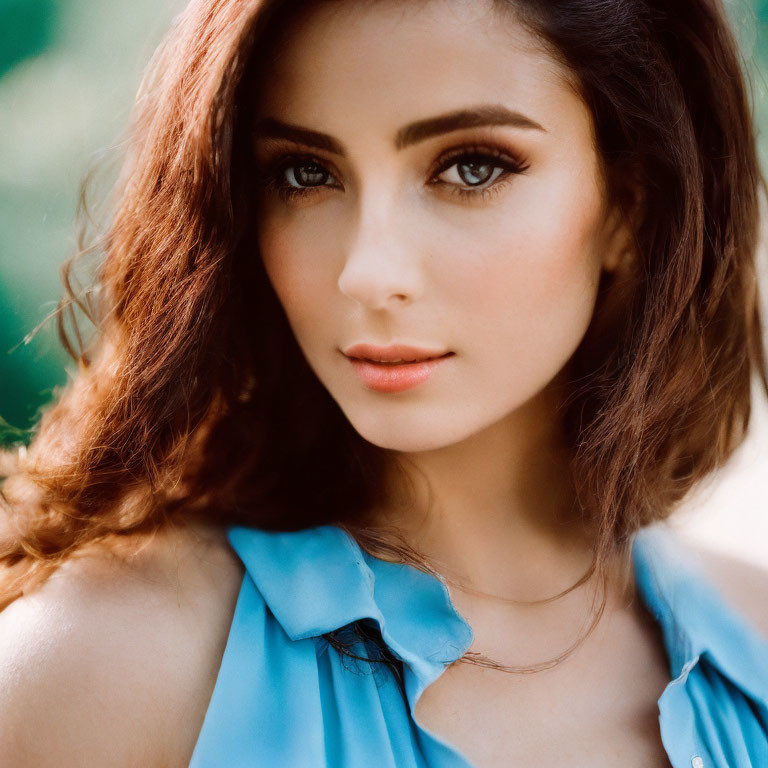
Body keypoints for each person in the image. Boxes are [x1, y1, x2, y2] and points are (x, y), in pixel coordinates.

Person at [1, 0, 767, 765]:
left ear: (631, 206)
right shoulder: (105, 668)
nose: (367, 272)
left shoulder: (757, 639)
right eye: (306, 174)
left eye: (471, 168)